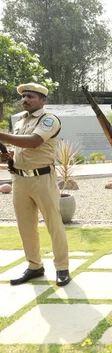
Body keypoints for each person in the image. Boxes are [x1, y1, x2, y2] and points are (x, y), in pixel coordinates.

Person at [0, 83, 70, 287]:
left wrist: (1, 135)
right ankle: (34, 266)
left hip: (43, 179)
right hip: (20, 179)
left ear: (42, 100)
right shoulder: (21, 121)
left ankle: (62, 268)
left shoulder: (49, 120)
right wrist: (11, 157)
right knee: (26, 226)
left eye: (30, 96)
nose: (25, 100)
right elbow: (22, 148)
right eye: (23, 97)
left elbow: (33, 141)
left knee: (54, 224)